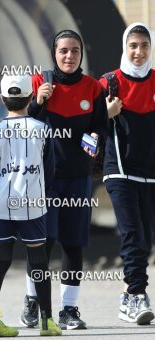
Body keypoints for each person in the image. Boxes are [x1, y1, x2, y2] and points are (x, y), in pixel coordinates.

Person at [20, 30, 109, 330]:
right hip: (43, 179)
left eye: (75, 50)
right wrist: (38, 103)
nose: (69, 56)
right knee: (42, 243)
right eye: (63, 51)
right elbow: (22, 125)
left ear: (81, 54)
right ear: (54, 53)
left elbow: (100, 126)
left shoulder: (93, 88)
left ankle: (68, 310)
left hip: (78, 179)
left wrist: (96, 138)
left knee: (73, 244)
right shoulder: (38, 82)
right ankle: (33, 302)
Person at [0, 74, 60, 337]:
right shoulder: (43, 130)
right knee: (39, 262)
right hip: (33, 205)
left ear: (2, 100)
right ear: (30, 98)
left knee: (0, 261)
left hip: (1, 204)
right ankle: (47, 322)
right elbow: (50, 171)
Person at [99, 22, 155, 325]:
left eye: (144, 45)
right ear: (125, 47)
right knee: (132, 234)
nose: (138, 51)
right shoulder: (109, 83)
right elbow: (86, 131)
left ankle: (127, 296)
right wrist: (106, 115)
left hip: (150, 173)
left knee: (145, 240)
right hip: (119, 171)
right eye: (133, 45)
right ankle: (137, 296)